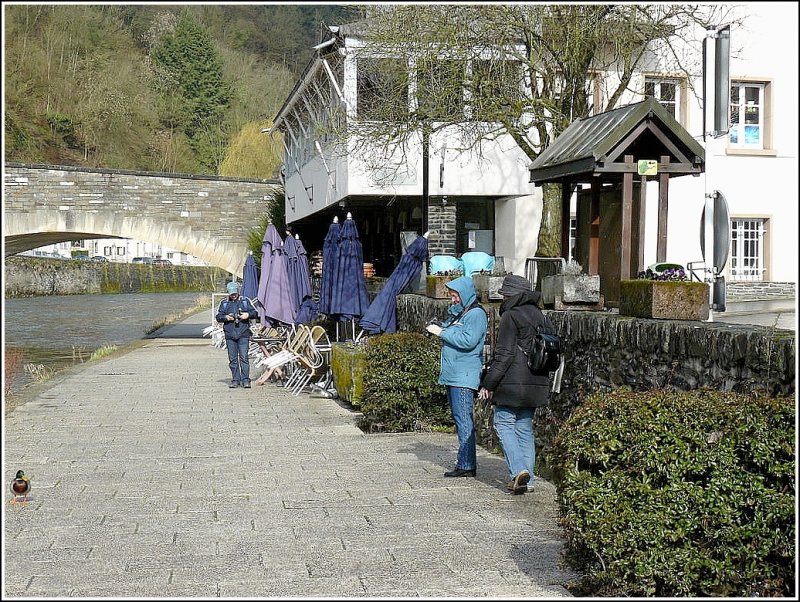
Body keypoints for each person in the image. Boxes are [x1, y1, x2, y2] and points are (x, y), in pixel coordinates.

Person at [478, 274, 552, 495]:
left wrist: (488, 384)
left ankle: (518, 470)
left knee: (503, 423)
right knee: (524, 429)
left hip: (512, 383)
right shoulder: (541, 316)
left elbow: (505, 355)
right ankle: (528, 481)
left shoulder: (511, 316)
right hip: (537, 381)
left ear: (511, 296)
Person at [426, 275, 488, 478]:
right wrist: (446, 320)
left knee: (464, 420)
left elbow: (468, 340)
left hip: (464, 376)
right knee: (460, 418)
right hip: (455, 375)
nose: (453, 300)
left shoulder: (476, 315)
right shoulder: (463, 313)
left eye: (455, 296)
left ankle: (467, 464)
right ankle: (465, 461)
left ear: (465, 295)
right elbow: (455, 330)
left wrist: (441, 332)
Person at [216, 280, 257, 388]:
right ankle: (235, 379)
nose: (233, 296)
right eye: (231, 294)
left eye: (235, 293)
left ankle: (245, 379)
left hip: (243, 334)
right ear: (228, 293)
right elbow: (218, 317)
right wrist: (226, 317)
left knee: (244, 357)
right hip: (230, 335)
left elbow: (255, 313)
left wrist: (247, 315)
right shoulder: (224, 303)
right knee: (232, 359)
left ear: (238, 292)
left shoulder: (245, 301)